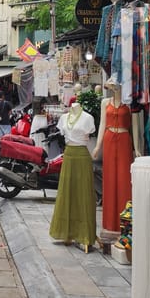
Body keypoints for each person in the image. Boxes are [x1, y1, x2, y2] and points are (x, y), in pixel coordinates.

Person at [49, 97, 97, 249]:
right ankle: (66, 232)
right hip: (68, 155)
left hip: (82, 155)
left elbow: (88, 137)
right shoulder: (64, 118)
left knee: (83, 194)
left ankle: (85, 234)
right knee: (66, 192)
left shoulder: (88, 118)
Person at [92, 75, 134, 234]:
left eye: (116, 86)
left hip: (124, 140)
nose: (113, 89)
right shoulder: (105, 103)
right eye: (112, 86)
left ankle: (125, 221)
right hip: (109, 139)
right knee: (109, 179)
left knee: (124, 179)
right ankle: (109, 221)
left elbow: (133, 128)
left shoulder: (129, 105)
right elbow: (102, 124)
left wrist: (137, 148)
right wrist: (97, 146)